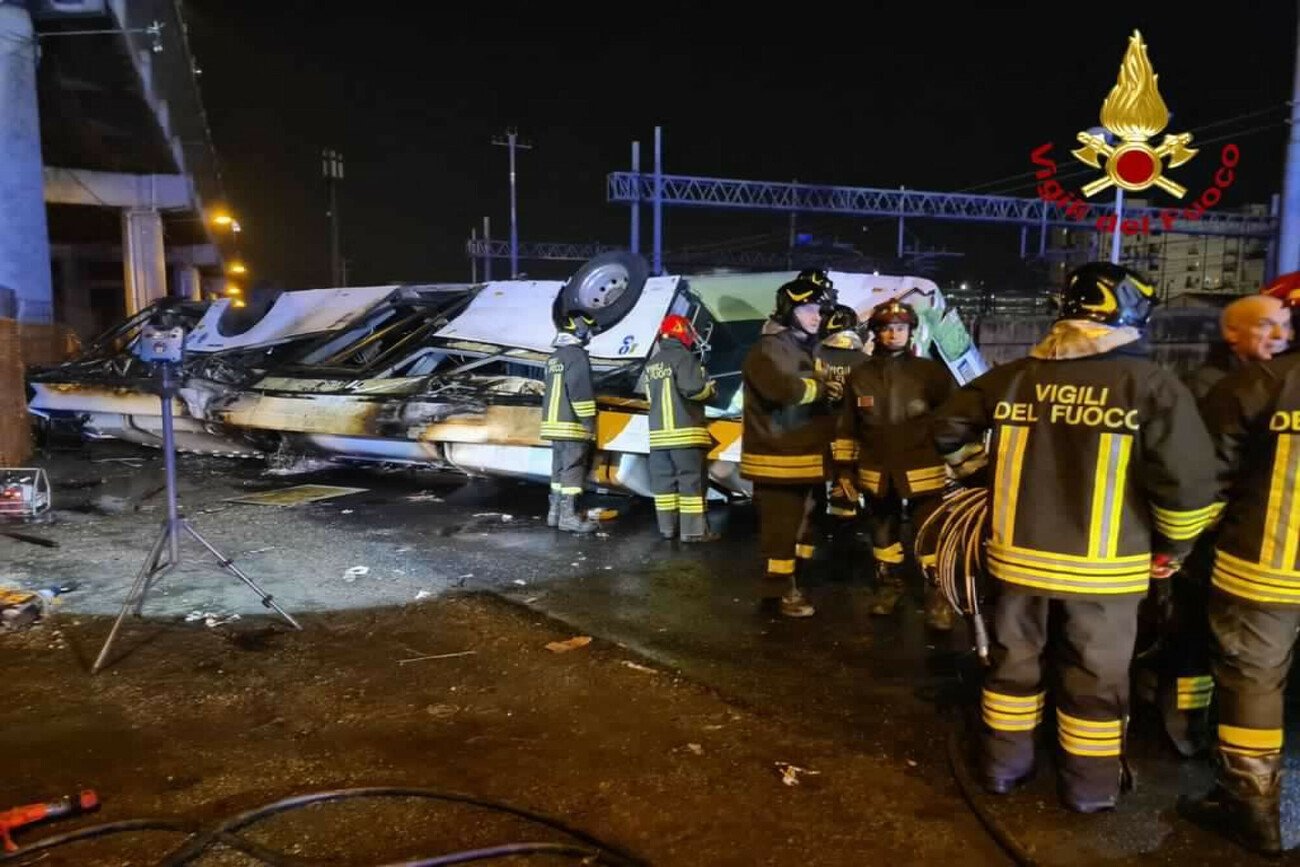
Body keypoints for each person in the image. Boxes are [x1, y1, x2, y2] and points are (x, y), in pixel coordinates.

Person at [930, 261, 1220, 812]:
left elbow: (946, 428)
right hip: (1105, 572)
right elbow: (1186, 484)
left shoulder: (1016, 376)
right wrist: (1173, 549)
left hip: (1017, 559)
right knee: (1096, 677)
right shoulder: (1151, 385)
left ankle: (1002, 768)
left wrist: (981, 475)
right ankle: (1090, 788)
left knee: (1013, 664)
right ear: (1131, 313)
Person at [1142, 293, 1293, 757]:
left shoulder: (1266, 384)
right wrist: (1182, 549)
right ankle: (1185, 728)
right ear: (1232, 333)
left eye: (1285, 325)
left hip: (1247, 550)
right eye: (1266, 325)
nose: (1279, 335)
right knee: (1192, 644)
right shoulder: (1207, 388)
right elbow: (1195, 480)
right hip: (1216, 549)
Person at [1179, 348, 1300, 855]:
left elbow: (1204, 482)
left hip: (1265, 564)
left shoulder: (1260, 384)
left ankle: (1251, 811)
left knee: (1253, 682)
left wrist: (1176, 548)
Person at [833, 299, 956, 629]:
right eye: (886, 329)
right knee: (881, 531)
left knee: (929, 533)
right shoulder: (859, 375)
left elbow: (953, 419)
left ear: (910, 331)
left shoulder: (931, 373)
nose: (893, 335)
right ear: (876, 333)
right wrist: (843, 470)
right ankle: (889, 586)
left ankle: (938, 596)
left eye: (900, 328)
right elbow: (847, 426)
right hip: (876, 470)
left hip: (922, 467)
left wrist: (955, 461)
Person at [740, 268, 841, 617]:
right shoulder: (767, 349)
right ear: (789, 311)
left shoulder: (804, 347)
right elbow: (781, 390)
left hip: (804, 456)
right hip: (778, 457)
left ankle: (794, 579)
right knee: (781, 527)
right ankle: (780, 588)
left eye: (819, 310)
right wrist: (822, 387)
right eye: (808, 309)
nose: (817, 316)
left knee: (803, 524)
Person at [645, 313, 719, 542]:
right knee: (691, 484)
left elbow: (650, 398)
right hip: (686, 435)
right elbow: (694, 390)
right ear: (683, 333)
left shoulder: (652, 363)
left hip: (658, 438)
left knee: (664, 486)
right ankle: (693, 532)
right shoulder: (684, 358)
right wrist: (710, 390)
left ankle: (668, 529)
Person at [540, 313, 600, 534]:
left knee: (558, 470)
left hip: (553, 424)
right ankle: (569, 517)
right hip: (571, 424)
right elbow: (580, 392)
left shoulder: (554, 358)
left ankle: (554, 514)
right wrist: (588, 422)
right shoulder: (577, 356)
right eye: (588, 331)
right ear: (580, 331)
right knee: (573, 469)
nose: (590, 336)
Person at [815, 305, 870, 525]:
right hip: (852, 432)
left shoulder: (812, 355)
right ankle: (845, 514)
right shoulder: (865, 361)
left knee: (815, 480)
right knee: (847, 475)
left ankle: (816, 519)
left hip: (817, 429)